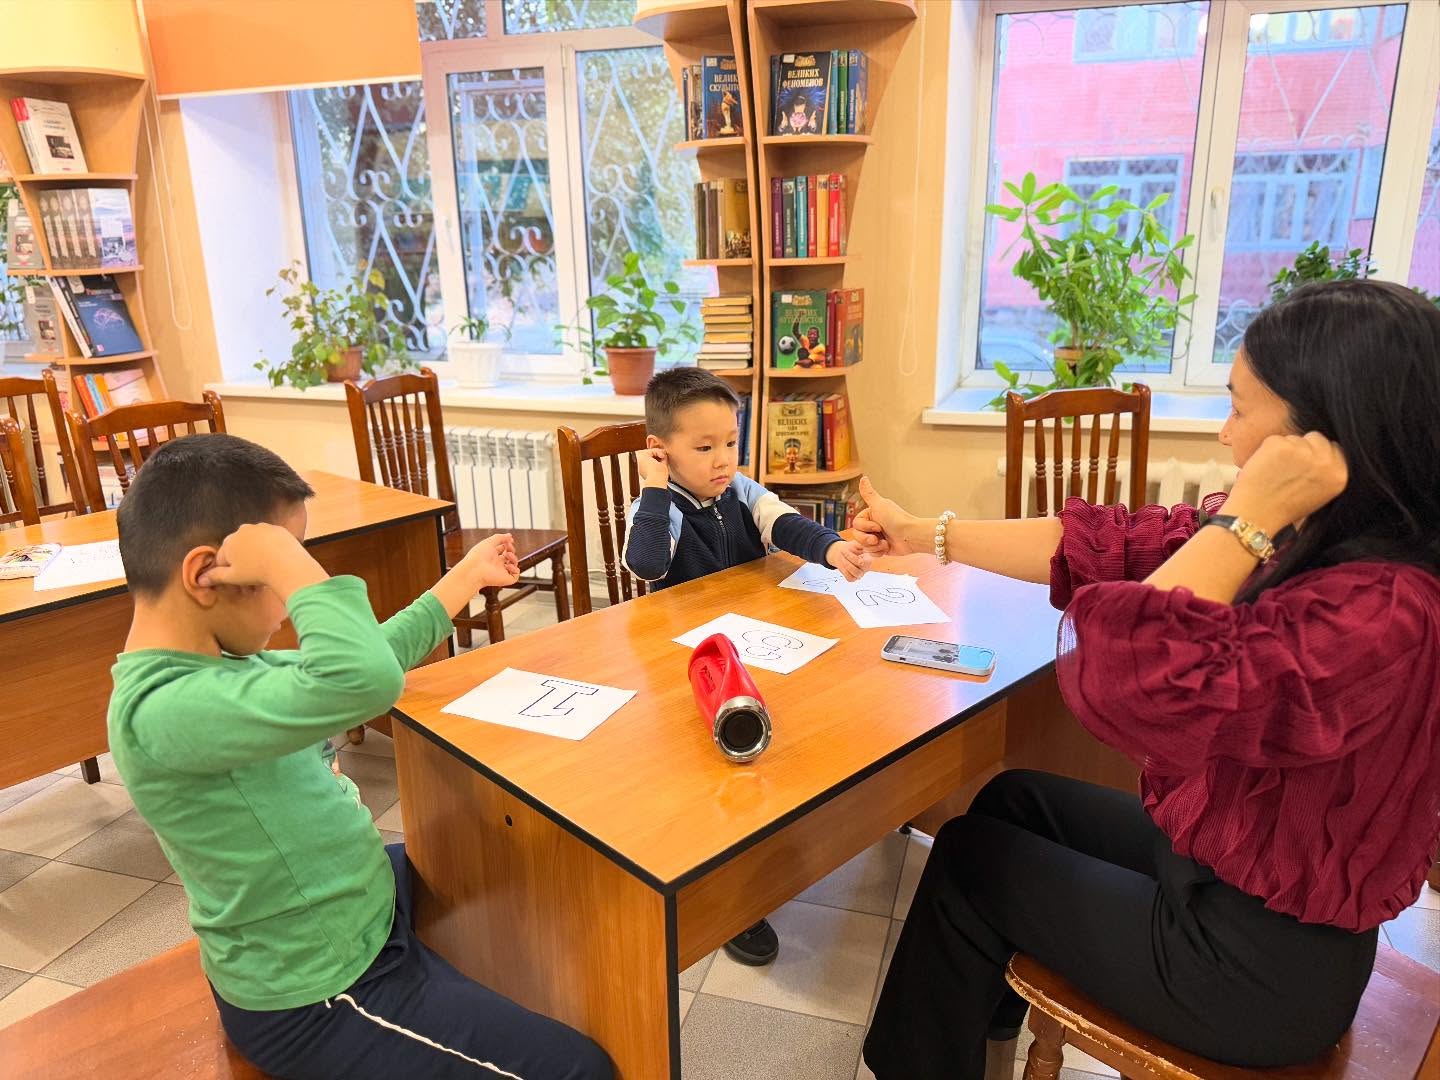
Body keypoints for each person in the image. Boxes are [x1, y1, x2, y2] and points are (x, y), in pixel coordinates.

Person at [852, 279, 1440, 1079]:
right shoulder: (1322, 537)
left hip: (1260, 968)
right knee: (1011, 799)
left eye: (1239, 409)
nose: (1226, 434)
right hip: (1229, 875)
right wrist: (924, 533)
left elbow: (1126, 672)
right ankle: (985, 1037)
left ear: (1318, 441)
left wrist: (1244, 520)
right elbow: (1121, 543)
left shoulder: (1383, 611)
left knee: (966, 861)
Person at [109, 433, 613, 1080]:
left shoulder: (222, 668)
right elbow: (362, 680)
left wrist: (464, 578)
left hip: (355, 908)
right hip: (322, 991)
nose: (288, 599)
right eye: (280, 571)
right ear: (208, 573)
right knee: (580, 1071)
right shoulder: (162, 711)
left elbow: (374, 655)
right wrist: (291, 565)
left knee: (503, 859)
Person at [623, 367, 870, 964]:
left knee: (794, 734)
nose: (722, 460)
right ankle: (735, 900)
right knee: (719, 777)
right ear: (660, 451)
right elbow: (647, 564)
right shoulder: (658, 508)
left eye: (730, 442)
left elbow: (783, 523)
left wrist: (832, 547)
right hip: (691, 664)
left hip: (755, 644)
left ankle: (776, 841)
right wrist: (654, 488)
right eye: (704, 447)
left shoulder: (739, 490)